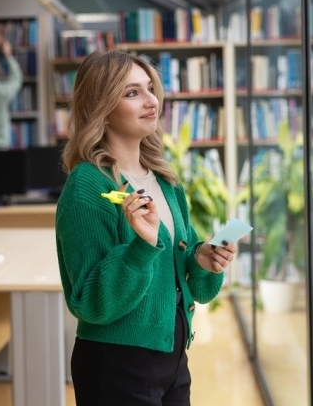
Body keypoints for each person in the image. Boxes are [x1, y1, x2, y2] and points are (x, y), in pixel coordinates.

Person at [55, 50, 238, 406]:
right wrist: (141, 246)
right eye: (131, 93)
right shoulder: (87, 187)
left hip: (171, 351)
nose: (151, 101)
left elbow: (187, 282)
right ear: (102, 109)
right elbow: (90, 303)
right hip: (118, 361)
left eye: (149, 88)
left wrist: (202, 258)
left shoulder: (166, 181)